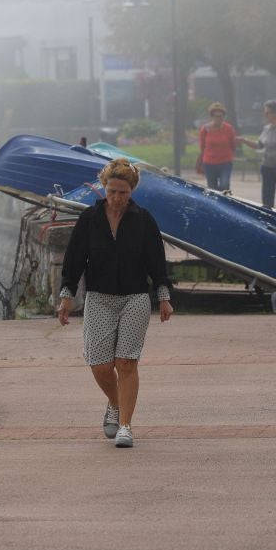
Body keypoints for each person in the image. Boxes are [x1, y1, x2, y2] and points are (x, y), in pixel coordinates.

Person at [57, 157, 173, 449]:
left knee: (126, 362)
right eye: (112, 191)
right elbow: (74, 260)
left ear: (131, 191)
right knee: (99, 363)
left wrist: (164, 297)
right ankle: (115, 402)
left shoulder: (143, 220)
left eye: (123, 192)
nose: (117, 197)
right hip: (99, 298)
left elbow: (157, 262)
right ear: (104, 188)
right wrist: (66, 296)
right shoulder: (90, 219)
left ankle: (125, 426)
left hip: (135, 298)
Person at [238, 99, 276, 208]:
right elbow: (259, 145)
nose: (264, 115)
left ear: (275, 113)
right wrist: (245, 141)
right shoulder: (267, 128)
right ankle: (267, 215)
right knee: (267, 196)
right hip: (267, 166)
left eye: (267, 113)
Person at [196, 101, 237, 191]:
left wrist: (229, 155)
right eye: (216, 116)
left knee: (224, 185)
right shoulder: (205, 129)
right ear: (212, 117)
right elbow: (202, 146)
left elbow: (233, 145)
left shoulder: (228, 129)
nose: (218, 119)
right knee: (212, 189)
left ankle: (224, 199)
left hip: (225, 163)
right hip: (209, 163)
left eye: (220, 116)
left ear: (223, 117)